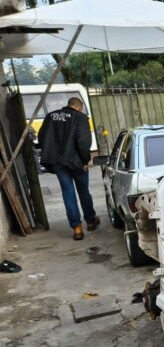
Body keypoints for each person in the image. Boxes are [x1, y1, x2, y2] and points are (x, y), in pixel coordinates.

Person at [38, 97, 99, 240]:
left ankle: (77, 229)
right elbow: (83, 142)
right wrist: (85, 160)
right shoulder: (80, 117)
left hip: (59, 162)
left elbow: (42, 137)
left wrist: (52, 155)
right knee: (83, 191)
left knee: (68, 192)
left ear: (69, 105)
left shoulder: (51, 117)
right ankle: (91, 221)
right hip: (77, 162)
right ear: (79, 107)